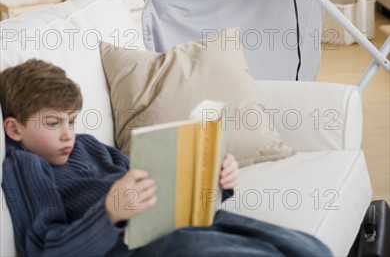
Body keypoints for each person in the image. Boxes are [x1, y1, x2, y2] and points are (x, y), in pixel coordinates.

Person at [0, 59, 332, 256]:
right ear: (14, 130)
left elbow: (154, 183)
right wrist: (109, 213)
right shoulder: (26, 165)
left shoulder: (88, 146)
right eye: (53, 123)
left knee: (307, 248)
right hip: (140, 246)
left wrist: (214, 182)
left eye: (71, 121)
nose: (67, 134)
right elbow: (45, 248)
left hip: (181, 223)